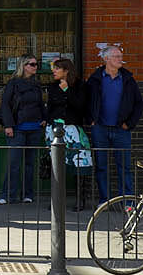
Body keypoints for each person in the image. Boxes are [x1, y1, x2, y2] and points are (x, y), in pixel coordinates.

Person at [86, 46, 143, 206]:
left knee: (124, 167)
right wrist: (91, 119)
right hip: (100, 128)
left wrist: (129, 124)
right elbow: (86, 100)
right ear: (106, 59)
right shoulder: (96, 79)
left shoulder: (127, 79)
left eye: (120, 56)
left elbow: (138, 104)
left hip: (121, 130)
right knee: (101, 166)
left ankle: (127, 202)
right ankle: (104, 201)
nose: (120, 59)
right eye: (117, 56)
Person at [0, 54, 47, 205]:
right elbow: (5, 105)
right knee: (14, 163)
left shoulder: (36, 84)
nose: (35, 67)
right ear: (24, 66)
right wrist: (8, 125)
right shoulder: (13, 83)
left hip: (35, 128)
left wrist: (44, 118)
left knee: (29, 164)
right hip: (17, 128)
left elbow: (41, 103)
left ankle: (28, 194)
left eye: (36, 64)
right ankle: (8, 195)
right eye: (32, 64)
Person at [46, 58, 92, 211]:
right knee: (55, 165)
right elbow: (51, 107)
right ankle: (56, 200)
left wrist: (67, 90)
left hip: (73, 130)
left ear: (66, 70)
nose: (53, 71)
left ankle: (80, 200)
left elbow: (80, 106)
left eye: (57, 68)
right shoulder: (52, 86)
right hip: (55, 128)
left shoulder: (80, 86)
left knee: (78, 164)